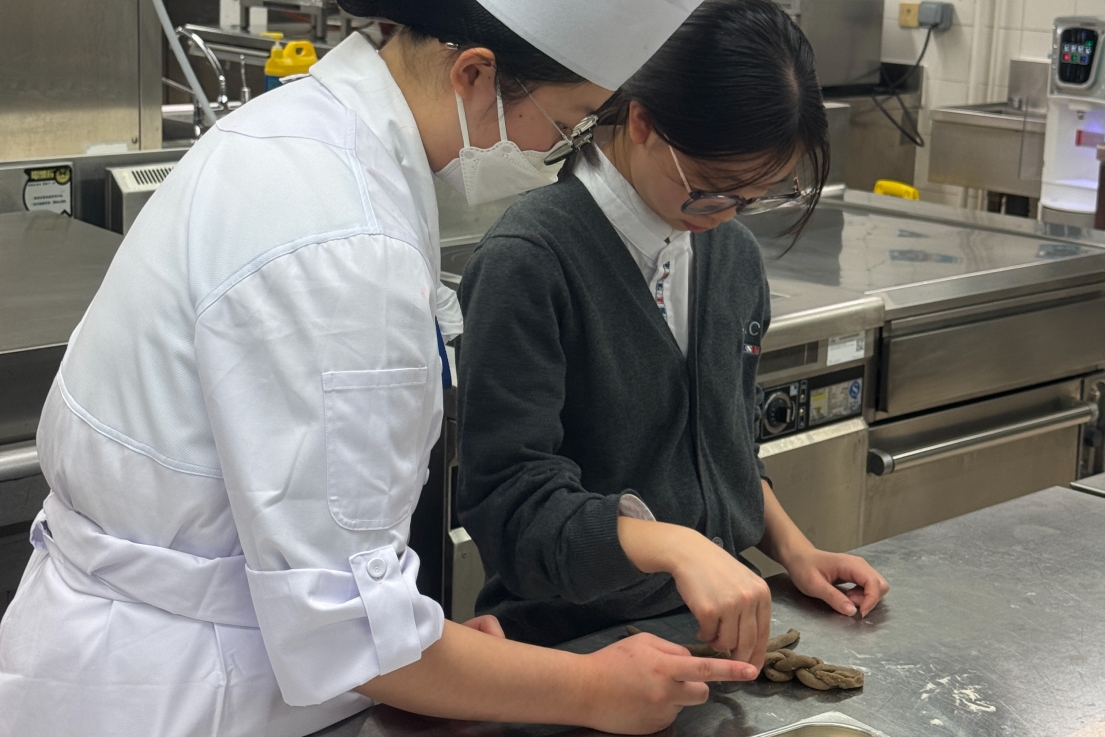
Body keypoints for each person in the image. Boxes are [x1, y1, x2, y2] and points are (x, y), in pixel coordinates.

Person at [0, 2, 761, 736]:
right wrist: (593, 687)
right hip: (187, 692)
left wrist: (449, 658)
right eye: (567, 122)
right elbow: (349, 632)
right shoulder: (346, 239)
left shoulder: (307, 134)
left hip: (162, 650)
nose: (555, 151)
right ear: (474, 74)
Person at [456, 0, 890, 665]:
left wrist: (795, 550)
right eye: (711, 188)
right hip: (570, 649)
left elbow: (723, 448)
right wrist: (672, 545)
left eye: (754, 197)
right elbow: (512, 512)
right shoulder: (530, 261)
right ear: (642, 122)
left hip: (710, 631)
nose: (725, 215)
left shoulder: (732, 256)